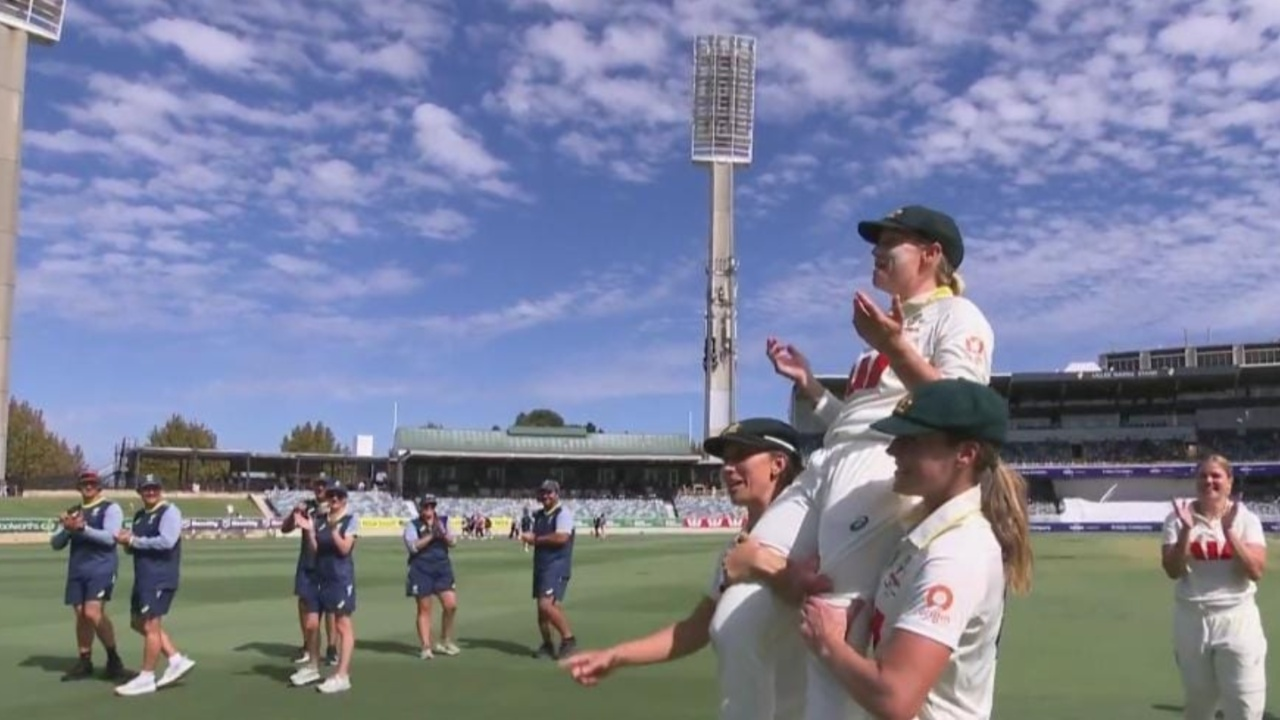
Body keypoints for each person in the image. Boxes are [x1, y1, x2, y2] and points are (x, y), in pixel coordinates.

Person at [712, 204, 995, 720]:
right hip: (830, 461)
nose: (876, 251)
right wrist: (811, 387)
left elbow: (960, 411)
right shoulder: (888, 326)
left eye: (892, 242)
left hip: (881, 466)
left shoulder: (959, 317)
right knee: (734, 613)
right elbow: (854, 419)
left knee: (834, 621)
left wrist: (895, 345)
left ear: (932, 255)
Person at [797, 378, 1033, 720]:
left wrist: (826, 642)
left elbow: (896, 698)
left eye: (911, 441)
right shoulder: (924, 528)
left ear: (965, 454)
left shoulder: (956, 553)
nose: (892, 450)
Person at [561, 419, 806, 718]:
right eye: (725, 459)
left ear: (778, 463)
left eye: (740, 455)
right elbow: (695, 629)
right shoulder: (737, 547)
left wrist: (760, 562)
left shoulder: (807, 528)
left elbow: (820, 594)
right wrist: (616, 656)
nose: (727, 468)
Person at [1161, 454, 1268, 720]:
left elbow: (1255, 571)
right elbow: (1172, 570)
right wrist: (1187, 530)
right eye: (1203, 476)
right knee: (1199, 705)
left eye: (1216, 475)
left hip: (1237, 618)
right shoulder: (1176, 519)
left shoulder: (1246, 519)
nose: (1209, 481)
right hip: (1192, 620)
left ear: (1229, 482)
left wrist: (1230, 532)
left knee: (1245, 706)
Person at [112, 477, 197, 697]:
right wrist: (126, 541)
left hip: (160, 577)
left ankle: (147, 676)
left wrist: (134, 541)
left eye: (154, 489)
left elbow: (167, 541)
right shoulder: (140, 515)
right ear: (139, 491)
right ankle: (176, 659)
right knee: (137, 622)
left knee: (150, 625)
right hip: (143, 577)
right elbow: (136, 546)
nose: (150, 493)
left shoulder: (169, 512)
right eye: (146, 489)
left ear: (160, 490)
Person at [51, 471, 127, 681]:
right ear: (79, 486)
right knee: (81, 614)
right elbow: (55, 544)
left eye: (92, 483)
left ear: (99, 486)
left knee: (93, 612)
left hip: (101, 567)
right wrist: (68, 528)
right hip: (78, 568)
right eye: (84, 483)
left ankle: (113, 659)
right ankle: (85, 660)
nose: (88, 487)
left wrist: (82, 528)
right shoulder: (74, 511)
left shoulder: (110, 508)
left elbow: (110, 538)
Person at [290, 480, 360, 693]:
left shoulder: (350, 520)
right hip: (320, 577)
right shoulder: (320, 519)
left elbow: (344, 549)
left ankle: (342, 674)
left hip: (340, 577)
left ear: (345, 499)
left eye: (338, 496)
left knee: (342, 625)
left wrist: (334, 531)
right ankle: (313, 666)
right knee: (311, 624)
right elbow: (316, 548)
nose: (334, 499)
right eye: (331, 495)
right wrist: (310, 531)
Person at [280, 477, 337, 667]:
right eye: (317, 484)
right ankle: (307, 645)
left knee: (330, 607)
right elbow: (285, 528)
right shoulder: (307, 507)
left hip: (328, 562)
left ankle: (331, 648)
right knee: (304, 604)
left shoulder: (334, 505)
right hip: (307, 562)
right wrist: (294, 513)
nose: (320, 487)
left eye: (323, 485)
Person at [521, 479, 577, 659]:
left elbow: (561, 538)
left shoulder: (563, 513)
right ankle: (547, 644)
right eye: (543, 492)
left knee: (546, 606)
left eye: (549, 492)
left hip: (557, 565)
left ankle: (568, 639)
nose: (545, 496)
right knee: (542, 611)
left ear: (557, 494)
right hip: (542, 565)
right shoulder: (539, 515)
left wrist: (535, 539)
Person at [404, 494, 460, 659]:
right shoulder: (413, 525)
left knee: (451, 605)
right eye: (426, 507)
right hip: (421, 568)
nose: (429, 510)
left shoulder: (443, 521)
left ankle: (445, 640)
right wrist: (431, 536)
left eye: (432, 506)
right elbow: (413, 547)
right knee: (424, 608)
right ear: (420, 508)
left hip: (442, 567)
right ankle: (426, 646)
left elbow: (454, 541)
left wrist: (443, 534)